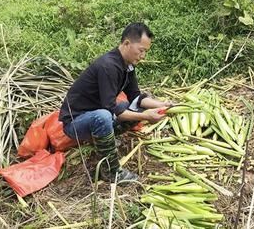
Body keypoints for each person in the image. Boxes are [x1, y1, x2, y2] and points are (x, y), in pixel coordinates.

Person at [59, 23, 170, 184]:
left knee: (139, 106)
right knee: (103, 116)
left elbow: (136, 97)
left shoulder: (128, 66)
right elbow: (109, 109)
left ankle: (104, 140)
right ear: (126, 44)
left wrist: (163, 104)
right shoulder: (108, 66)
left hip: (98, 114)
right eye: (141, 50)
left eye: (146, 51)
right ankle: (112, 173)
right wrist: (145, 116)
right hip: (76, 123)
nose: (143, 56)